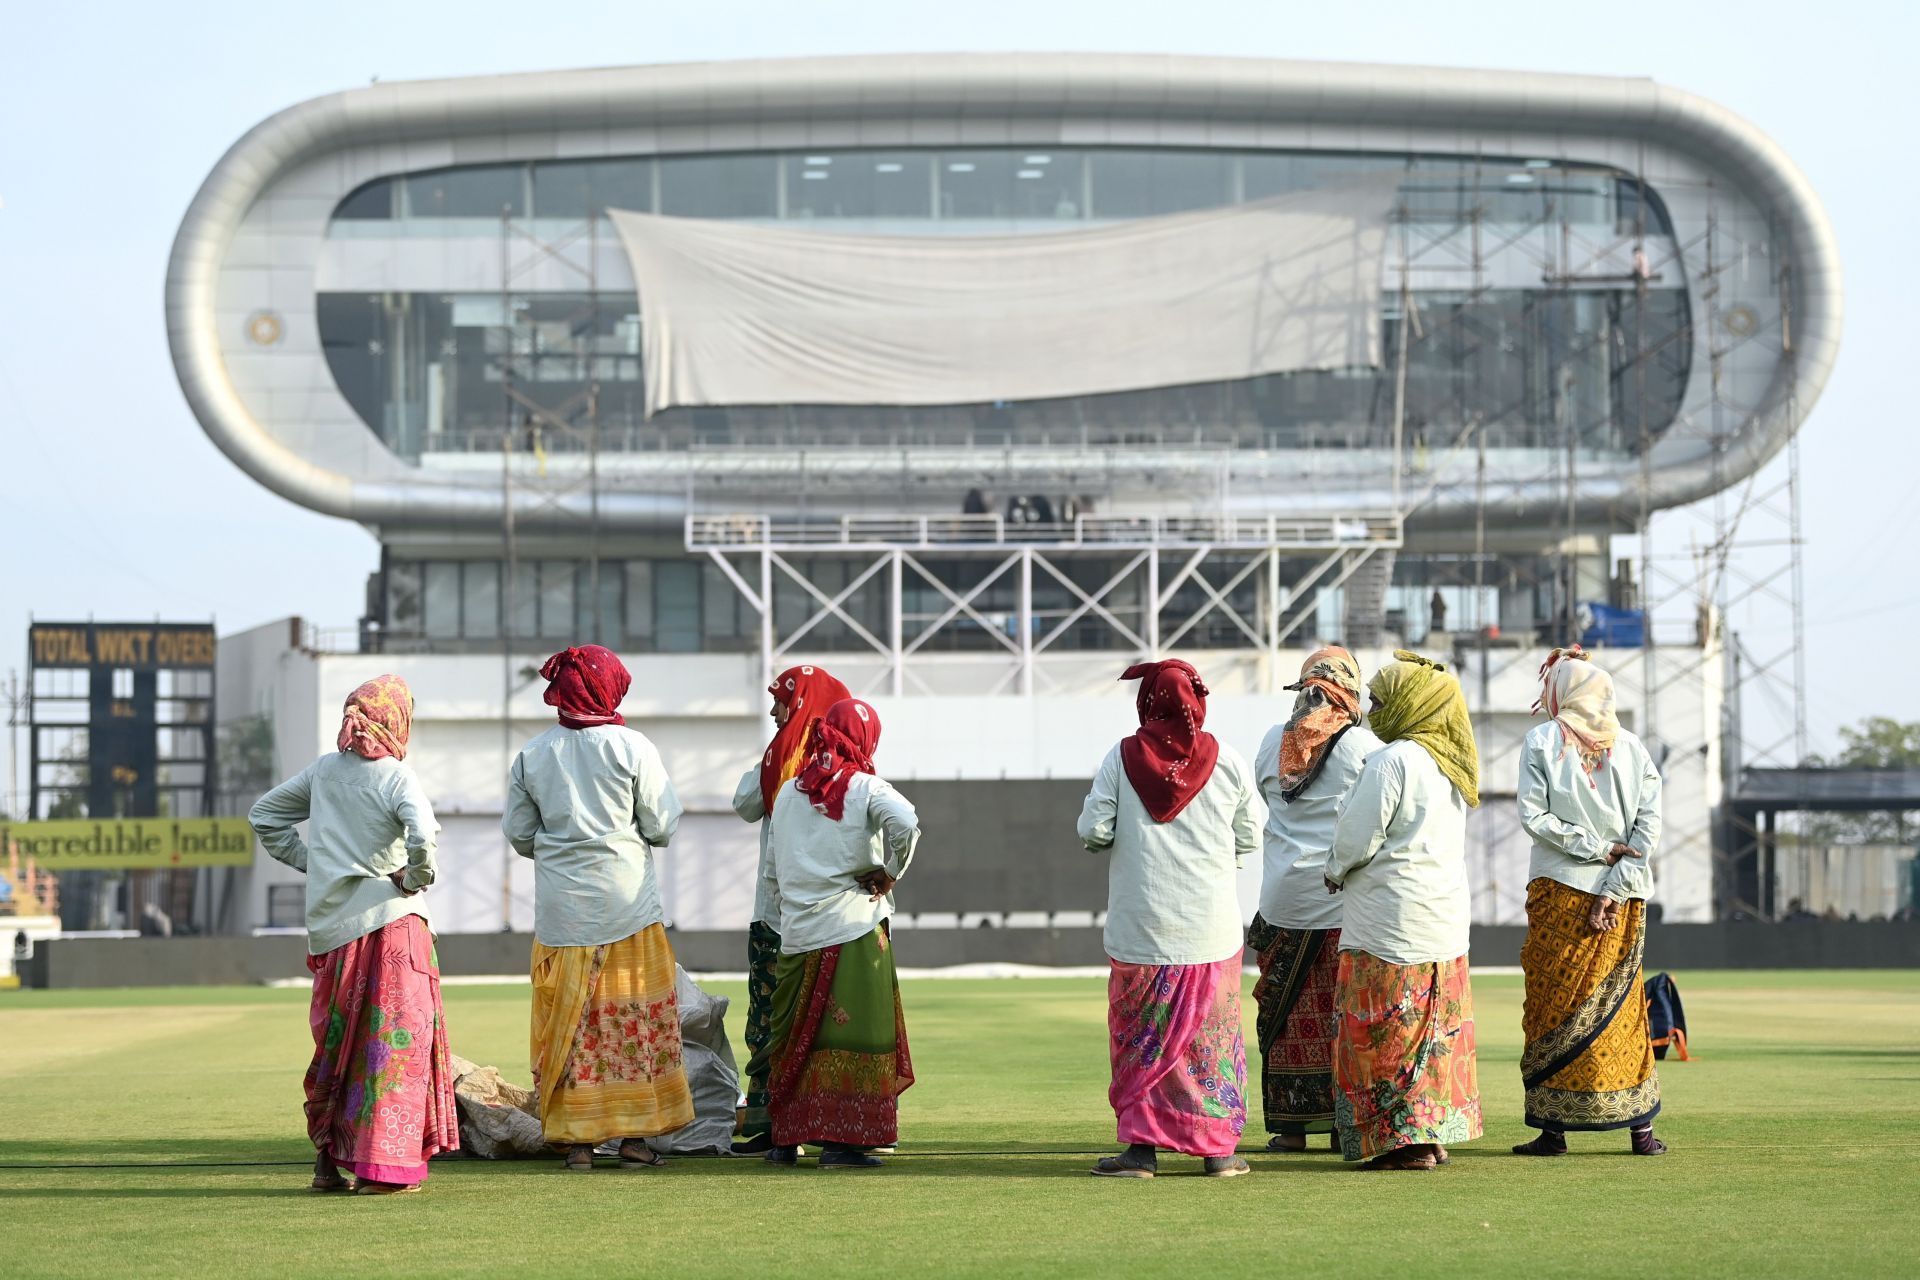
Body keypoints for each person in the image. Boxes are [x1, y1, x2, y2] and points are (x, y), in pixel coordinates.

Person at [249, 675, 457, 1195]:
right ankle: (381, 1172)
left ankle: (327, 1163)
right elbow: (424, 837)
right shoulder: (395, 777)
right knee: (392, 1047)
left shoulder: (323, 773)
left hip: (332, 932)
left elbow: (265, 815)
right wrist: (414, 878)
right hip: (392, 924)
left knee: (338, 1044)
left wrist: (315, 865)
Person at [504, 645, 692, 1172]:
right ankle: (635, 1140)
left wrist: (562, 843)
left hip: (564, 915)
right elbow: (661, 824)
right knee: (632, 1021)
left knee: (575, 1025)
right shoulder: (633, 747)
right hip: (629, 908)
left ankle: (580, 1143)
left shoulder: (532, 755)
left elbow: (520, 835)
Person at [1077, 659, 1263, 1179]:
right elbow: (1250, 835)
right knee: (1212, 1041)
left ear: (1148, 702)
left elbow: (1093, 830)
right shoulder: (1230, 762)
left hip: (1142, 931)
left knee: (1141, 1041)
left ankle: (1140, 1153)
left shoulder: (1121, 758)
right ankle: (1218, 1152)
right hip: (1211, 929)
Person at [1324, 650, 1483, 1171]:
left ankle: (1398, 1143)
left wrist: (1335, 868)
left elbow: (1358, 836)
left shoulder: (1394, 761)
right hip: (1441, 922)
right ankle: (1429, 1135)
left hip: (1390, 921)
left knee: (1382, 1034)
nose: (1371, 710)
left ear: (1408, 705)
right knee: (1431, 1035)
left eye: (1379, 700)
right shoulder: (1450, 766)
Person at [750, 698, 919, 1169]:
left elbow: (770, 870)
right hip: (852, 928)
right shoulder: (863, 786)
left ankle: (785, 1141)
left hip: (798, 932)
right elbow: (906, 821)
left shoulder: (788, 792)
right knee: (856, 1037)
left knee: (790, 1037)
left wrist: (786, 917)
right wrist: (890, 872)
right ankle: (841, 1145)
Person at [1513, 646, 1667, 1157]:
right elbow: (1648, 829)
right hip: (1625, 897)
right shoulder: (1634, 748)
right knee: (1622, 1009)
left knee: (1553, 1009)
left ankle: (1553, 1132)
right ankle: (1640, 1133)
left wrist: (1595, 853)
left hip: (1561, 890)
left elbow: (1535, 819)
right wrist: (1618, 879)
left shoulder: (1541, 741)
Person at [1248, 647, 1381, 1153]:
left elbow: (1271, 800)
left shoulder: (1269, 744)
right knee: (1337, 1013)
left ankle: (1289, 1128)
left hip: (1282, 899)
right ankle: (1339, 1122)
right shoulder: (1363, 747)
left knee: (1284, 1015)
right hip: (1339, 902)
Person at [729, 663, 851, 1153]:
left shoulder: (786, 762)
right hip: (827, 915)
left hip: (783, 911)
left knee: (772, 1019)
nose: (776, 710)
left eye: (783, 700)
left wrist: (772, 759)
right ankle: (806, 1127)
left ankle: (779, 1127)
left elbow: (744, 802)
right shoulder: (854, 764)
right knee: (818, 1020)